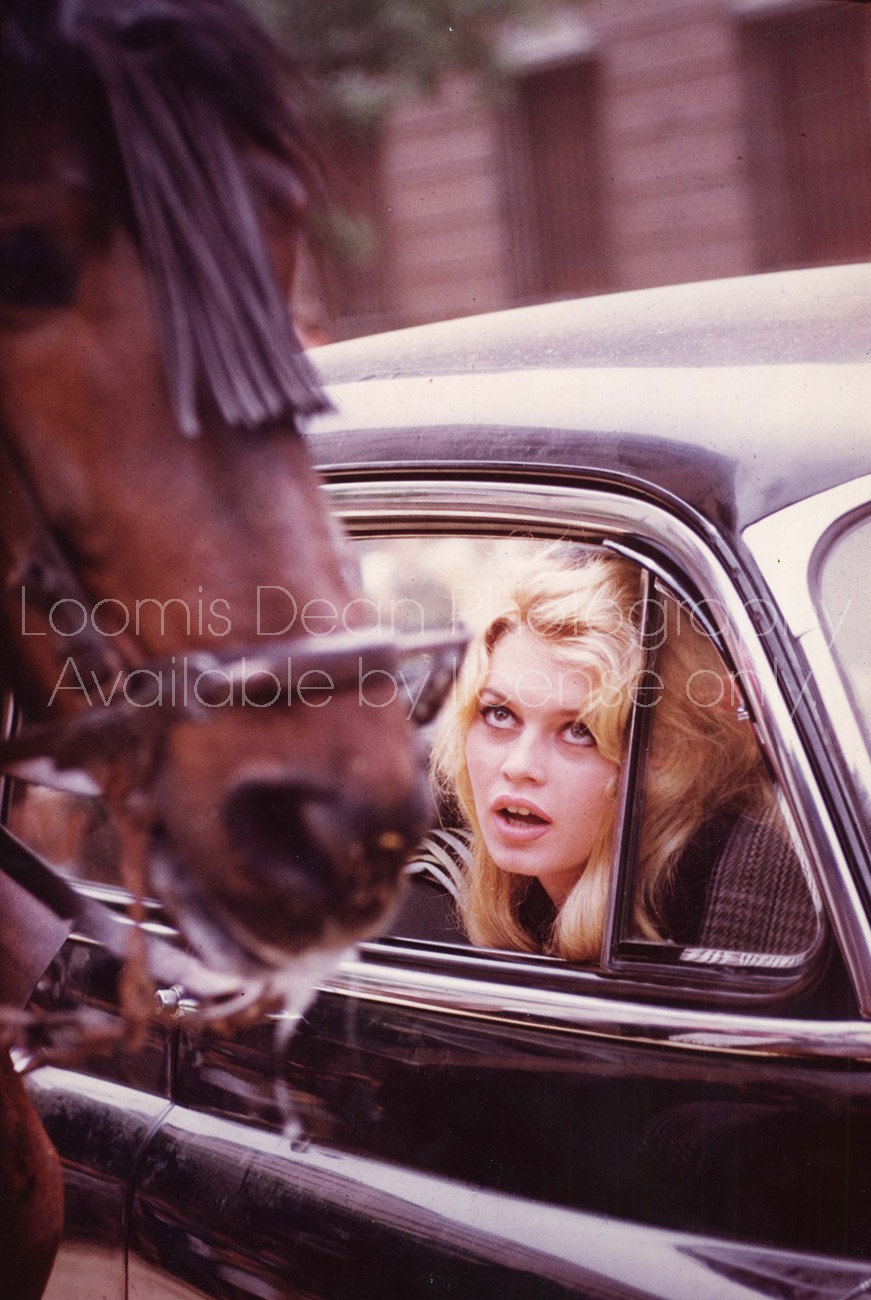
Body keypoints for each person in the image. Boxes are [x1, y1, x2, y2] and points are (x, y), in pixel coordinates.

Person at [399, 546, 817, 961]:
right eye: (499, 714)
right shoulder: (491, 880)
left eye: (580, 730)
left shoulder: (740, 884)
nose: (519, 766)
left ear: (662, 756)